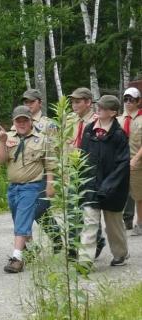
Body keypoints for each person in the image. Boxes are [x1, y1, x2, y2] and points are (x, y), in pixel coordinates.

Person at [0, 106, 55, 273]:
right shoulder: (8, 137)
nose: (21, 123)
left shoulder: (42, 139)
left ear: (31, 121)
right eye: (18, 120)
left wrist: (50, 184)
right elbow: (1, 160)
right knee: (18, 219)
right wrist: (2, 142)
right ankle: (30, 247)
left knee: (22, 219)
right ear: (14, 122)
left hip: (32, 186)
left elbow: (50, 164)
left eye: (25, 120)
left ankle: (16, 258)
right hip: (13, 187)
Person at [77, 95, 130, 272]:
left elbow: (122, 165)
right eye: (98, 106)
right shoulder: (89, 130)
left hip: (113, 189)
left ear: (113, 112)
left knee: (113, 225)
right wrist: (80, 179)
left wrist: (108, 187)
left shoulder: (119, 135)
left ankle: (120, 253)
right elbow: (82, 156)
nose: (98, 109)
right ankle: (85, 261)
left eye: (104, 108)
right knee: (90, 222)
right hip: (90, 185)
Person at [20, 89, 62, 253]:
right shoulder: (21, 122)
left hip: (44, 173)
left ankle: (26, 247)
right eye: (26, 102)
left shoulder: (48, 124)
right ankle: (56, 237)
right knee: (38, 211)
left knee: (36, 209)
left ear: (39, 102)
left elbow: (55, 150)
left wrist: (52, 179)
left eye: (31, 101)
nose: (28, 105)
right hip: (26, 172)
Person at [67, 87, 106, 259]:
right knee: (71, 207)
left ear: (88, 102)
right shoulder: (70, 120)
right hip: (73, 169)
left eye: (78, 101)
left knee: (87, 208)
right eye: (72, 102)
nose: (74, 105)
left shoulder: (98, 121)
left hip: (90, 170)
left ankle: (95, 240)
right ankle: (75, 245)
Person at [117, 87, 142, 235]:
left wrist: (136, 159)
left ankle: (139, 224)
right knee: (119, 193)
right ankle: (123, 222)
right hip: (120, 163)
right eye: (125, 99)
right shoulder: (118, 120)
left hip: (137, 164)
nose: (128, 102)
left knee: (138, 195)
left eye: (131, 99)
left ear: (138, 101)